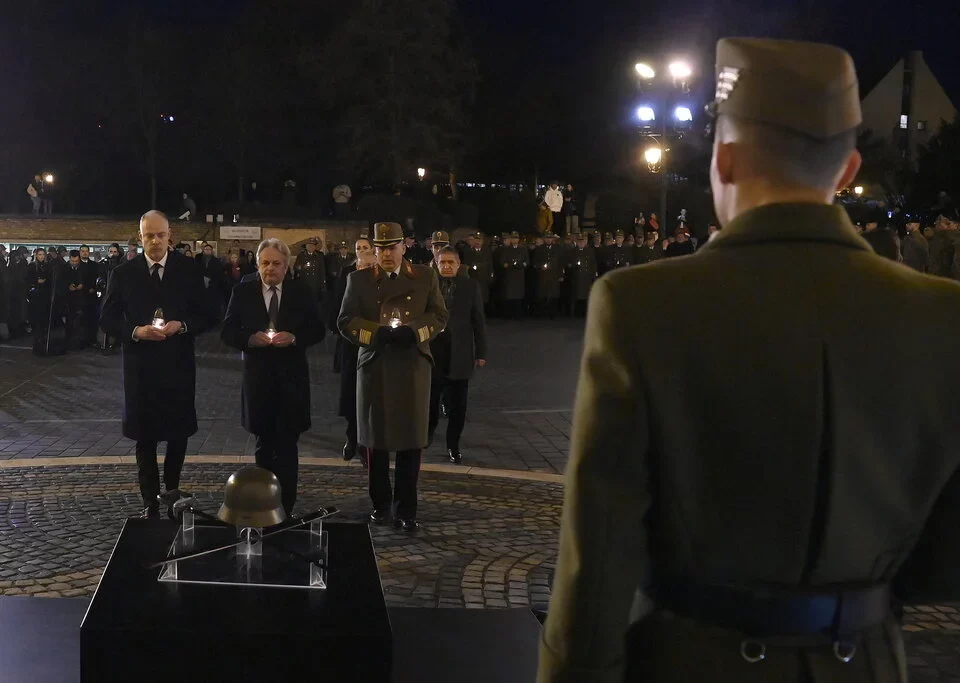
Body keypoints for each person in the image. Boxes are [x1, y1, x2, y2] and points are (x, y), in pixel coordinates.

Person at [539, 37, 960, 683]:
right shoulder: (943, 314)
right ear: (847, 171)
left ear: (725, 158)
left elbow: (598, 563)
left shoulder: (643, 304)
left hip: (694, 660)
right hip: (868, 662)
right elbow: (942, 562)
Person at [338, 221, 448, 532]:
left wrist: (414, 332)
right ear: (374, 250)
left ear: (404, 247)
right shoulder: (358, 280)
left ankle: (406, 508)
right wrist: (377, 333)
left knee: (411, 441)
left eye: (392, 247)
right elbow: (345, 320)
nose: (387, 254)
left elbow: (439, 314)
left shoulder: (425, 276)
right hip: (376, 364)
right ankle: (381, 504)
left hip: (412, 364)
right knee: (376, 442)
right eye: (381, 248)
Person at [100, 211, 207, 518]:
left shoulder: (188, 270)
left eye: (161, 235)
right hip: (141, 367)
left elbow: (208, 313)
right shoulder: (123, 273)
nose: (156, 241)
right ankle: (149, 501)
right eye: (149, 235)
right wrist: (134, 331)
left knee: (178, 433)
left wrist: (182, 325)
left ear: (169, 235)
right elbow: (106, 319)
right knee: (144, 436)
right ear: (140, 236)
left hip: (177, 365)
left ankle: (172, 491)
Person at [222, 238, 325, 516]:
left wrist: (294, 337)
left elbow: (318, 329)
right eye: (265, 263)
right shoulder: (243, 291)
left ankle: (287, 508)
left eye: (276, 263)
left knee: (288, 447)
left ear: (287, 265)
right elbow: (227, 330)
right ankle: (264, 505)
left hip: (292, 380)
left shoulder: (300, 291)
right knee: (264, 445)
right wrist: (249, 339)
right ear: (257, 264)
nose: (270, 269)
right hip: (259, 380)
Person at [427, 247, 487, 464]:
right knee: (431, 399)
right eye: (442, 262)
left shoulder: (470, 286)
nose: (447, 266)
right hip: (434, 352)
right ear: (436, 263)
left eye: (451, 262)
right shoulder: (429, 286)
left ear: (459, 264)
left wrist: (481, 352)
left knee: (458, 405)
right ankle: (429, 431)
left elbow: (478, 320)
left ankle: (453, 444)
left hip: (460, 353)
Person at [330, 237, 377, 464]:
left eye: (365, 248)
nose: (361, 251)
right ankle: (351, 437)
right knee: (351, 391)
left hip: (375, 341)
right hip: (351, 341)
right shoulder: (346, 274)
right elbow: (337, 304)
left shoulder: (380, 276)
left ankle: (369, 441)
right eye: (358, 248)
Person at [495, 231, 529, 319]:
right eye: (513, 238)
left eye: (516, 238)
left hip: (519, 275)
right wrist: (510, 265)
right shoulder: (507, 249)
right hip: (510, 275)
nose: (515, 240)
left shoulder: (523, 249)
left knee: (519, 295)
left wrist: (520, 265)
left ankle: (518, 314)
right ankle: (509, 314)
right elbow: (502, 262)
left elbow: (526, 261)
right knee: (509, 294)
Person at [532, 232, 562, 318]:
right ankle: (543, 313)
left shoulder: (557, 248)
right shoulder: (539, 249)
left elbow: (560, 263)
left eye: (550, 238)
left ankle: (552, 313)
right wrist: (540, 266)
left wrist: (561, 275)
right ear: (544, 239)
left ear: (552, 239)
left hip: (554, 275)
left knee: (554, 294)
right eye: (547, 238)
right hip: (543, 275)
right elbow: (535, 262)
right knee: (543, 294)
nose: (548, 239)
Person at [293, 237, 327, 304]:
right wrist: (303, 267)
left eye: (313, 245)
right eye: (309, 245)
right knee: (305, 301)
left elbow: (322, 270)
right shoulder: (301, 255)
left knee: (315, 302)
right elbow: (296, 267)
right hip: (305, 282)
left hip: (315, 283)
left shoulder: (319, 255)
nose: (311, 247)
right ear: (306, 246)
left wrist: (323, 283)